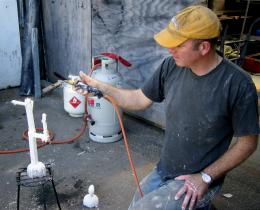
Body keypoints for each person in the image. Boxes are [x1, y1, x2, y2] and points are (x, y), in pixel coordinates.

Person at [79, 5, 259, 210]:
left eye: (178, 44)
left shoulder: (238, 84)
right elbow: (138, 99)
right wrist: (101, 88)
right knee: (135, 206)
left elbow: (248, 143)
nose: (169, 49)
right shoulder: (171, 66)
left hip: (202, 176)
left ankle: (202, 200)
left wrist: (206, 177)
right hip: (166, 168)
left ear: (203, 47)